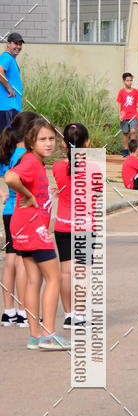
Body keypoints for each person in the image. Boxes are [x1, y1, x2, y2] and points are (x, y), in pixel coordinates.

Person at [4, 115, 71, 349]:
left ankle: (35, 336)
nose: (49, 143)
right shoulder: (31, 161)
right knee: (53, 277)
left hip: (21, 225)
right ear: (31, 142)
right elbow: (10, 177)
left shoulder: (34, 161)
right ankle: (48, 334)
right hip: (32, 226)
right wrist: (29, 195)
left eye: (52, 138)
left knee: (34, 280)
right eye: (42, 139)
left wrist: (37, 194)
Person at [52, 122, 101, 328]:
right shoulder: (94, 168)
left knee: (65, 271)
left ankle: (69, 314)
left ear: (64, 144)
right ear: (88, 143)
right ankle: (79, 314)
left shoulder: (56, 167)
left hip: (62, 225)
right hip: (85, 225)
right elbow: (97, 192)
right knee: (83, 271)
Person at [0, 111, 31, 327]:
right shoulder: (25, 156)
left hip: (8, 211)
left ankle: (8, 310)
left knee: (10, 259)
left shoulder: (7, 152)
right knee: (22, 261)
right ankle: (23, 311)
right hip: (22, 211)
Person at [0, 32, 24, 134]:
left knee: (9, 137)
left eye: (20, 44)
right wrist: (9, 88)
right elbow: (0, 71)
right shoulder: (6, 57)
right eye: (16, 43)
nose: (18, 47)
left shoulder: (11, 59)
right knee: (5, 137)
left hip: (12, 106)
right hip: (7, 105)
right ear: (8, 44)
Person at [116, 72, 138, 156]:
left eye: (131, 80)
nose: (129, 82)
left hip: (133, 115)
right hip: (124, 116)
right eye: (127, 80)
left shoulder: (135, 92)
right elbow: (119, 104)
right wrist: (120, 115)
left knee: (133, 131)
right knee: (125, 133)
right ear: (124, 81)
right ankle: (125, 149)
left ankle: (133, 149)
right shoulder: (121, 92)